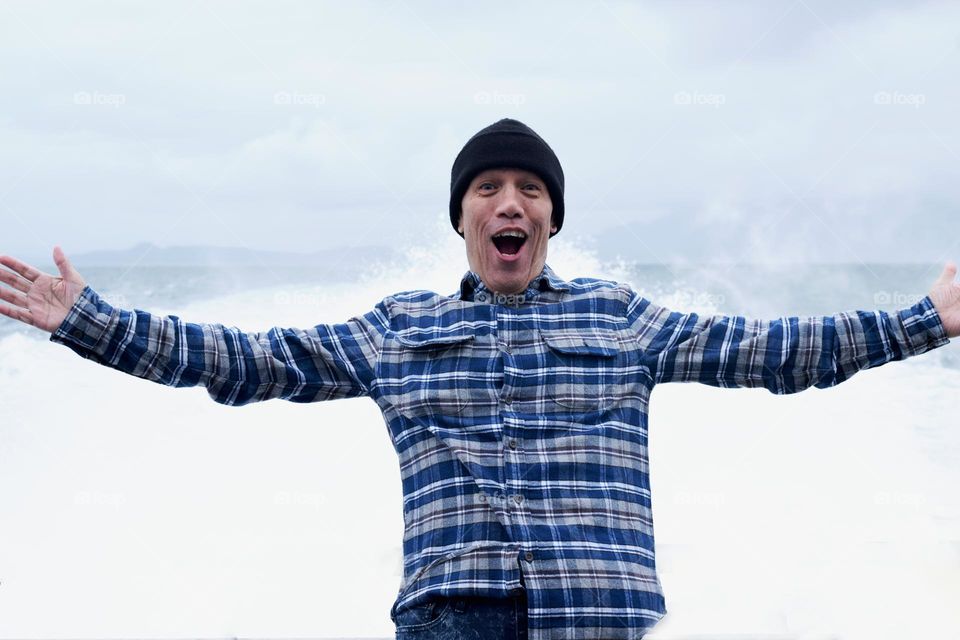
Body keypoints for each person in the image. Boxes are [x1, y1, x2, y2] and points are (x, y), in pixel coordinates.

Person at [1, 118, 958, 640]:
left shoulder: (622, 318)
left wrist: (930, 320)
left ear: (552, 219)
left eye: (530, 191)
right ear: (461, 219)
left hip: (601, 615)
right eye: (489, 191)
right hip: (450, 619)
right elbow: (248, 363)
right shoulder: (398, 330)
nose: (511, 204)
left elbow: (775, 351)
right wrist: (90, 323)